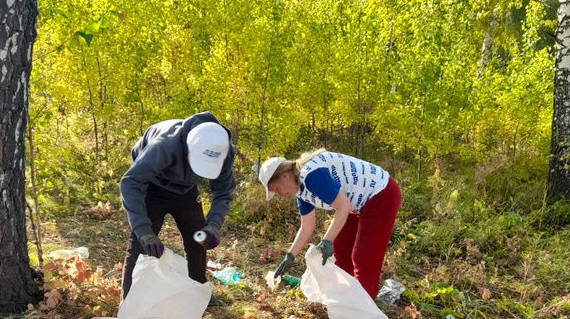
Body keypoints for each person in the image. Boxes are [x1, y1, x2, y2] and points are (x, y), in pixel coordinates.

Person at [120, 112, 235, 307]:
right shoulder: (165, 146)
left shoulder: (222, 150)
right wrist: (143, 230)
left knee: (198, 236)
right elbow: (131, 182)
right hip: (152, 184)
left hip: (187, 190)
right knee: (141, 245)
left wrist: (214, 224)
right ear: (187, 148)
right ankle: (128, 302)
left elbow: (224, 191)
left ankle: (198, 291)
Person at [258, 149, 401, 299]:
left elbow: (343, 206)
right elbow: (307, 227)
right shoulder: (300, 191)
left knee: (363, 257)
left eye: (276, 189)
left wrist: (326, 241)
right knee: (341, 250)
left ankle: (363, 309)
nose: (279, 195)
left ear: (285, 177)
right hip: (356, 204)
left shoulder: (312, 175)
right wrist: (290, 255)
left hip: (381, 194)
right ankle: (347, 298)